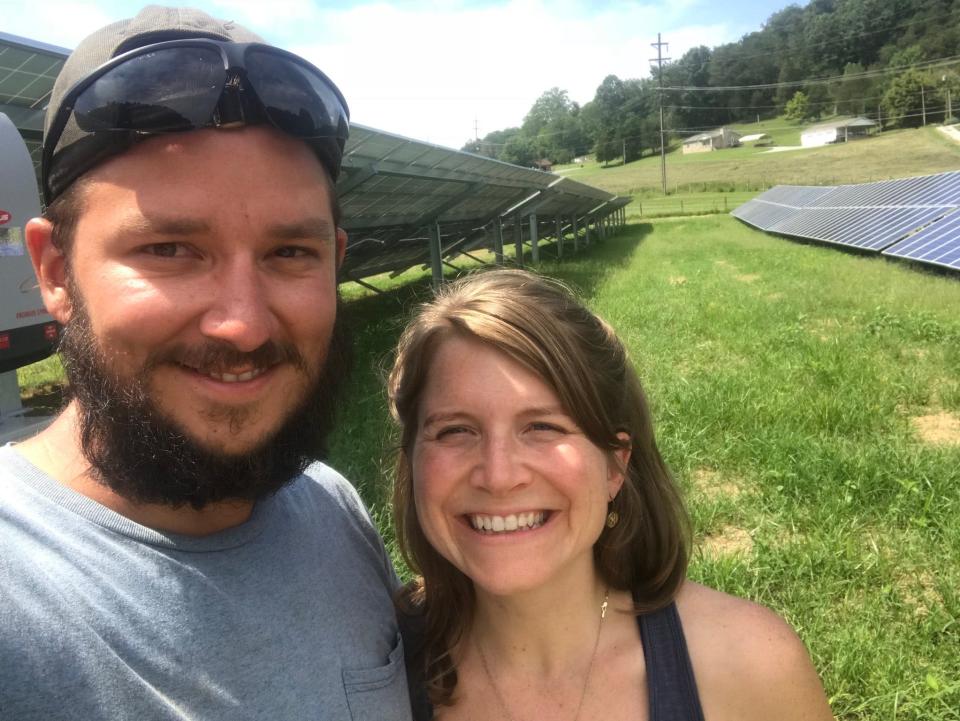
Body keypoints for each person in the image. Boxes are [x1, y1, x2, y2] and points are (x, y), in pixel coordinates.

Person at [1, 6, 411, 720]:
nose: (244, 324)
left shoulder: (334, 510)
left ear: (335, 264)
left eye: (290, 253)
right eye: (170, 250)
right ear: (56, 272)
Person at [388, 269, 833, 721]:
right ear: (412, 460)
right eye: (456, 430)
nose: (499, 476)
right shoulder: (373, 667)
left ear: (615, 465)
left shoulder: (752, 665)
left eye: (543, 427)